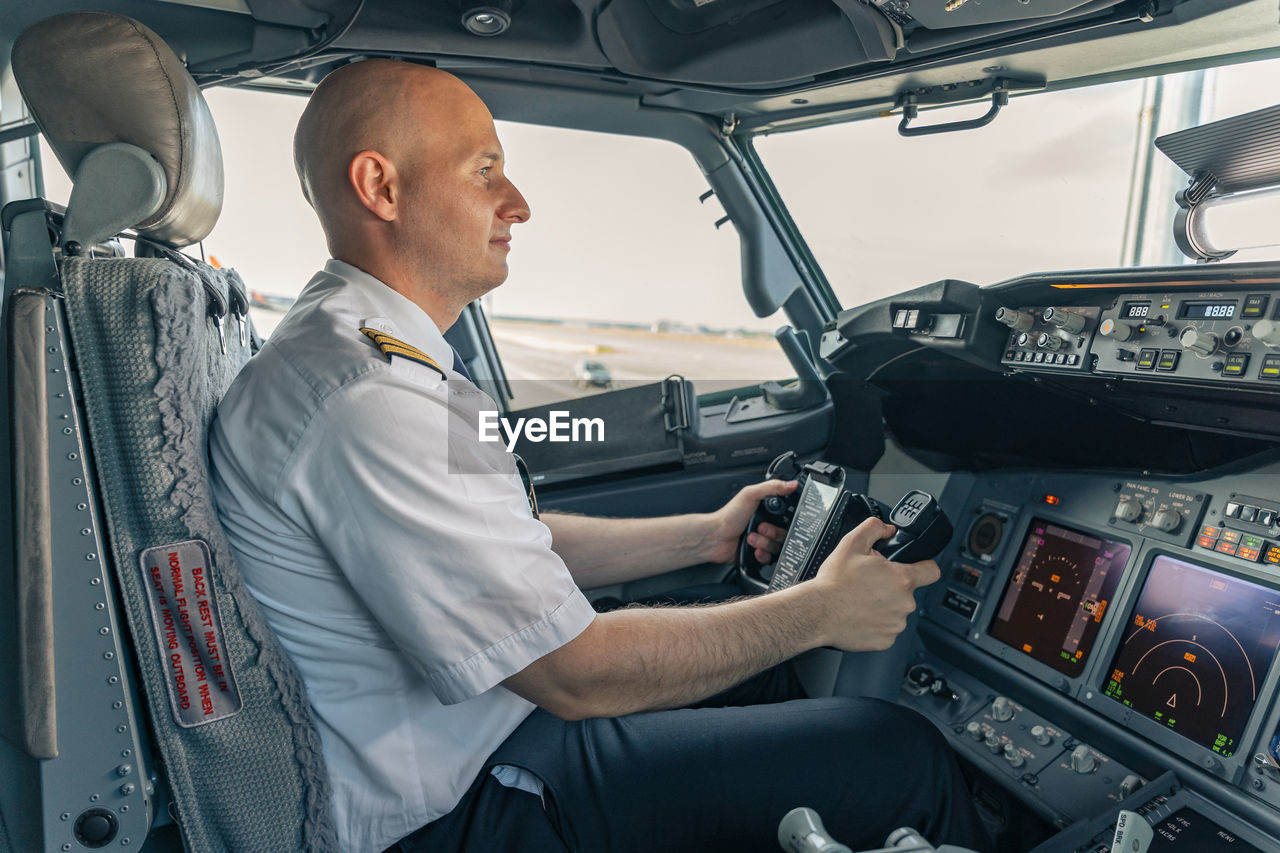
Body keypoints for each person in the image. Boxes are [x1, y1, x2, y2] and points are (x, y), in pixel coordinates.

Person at [208, 58, 986, 853]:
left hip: (485, 728)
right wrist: (820, 609)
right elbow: (573, 674)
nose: (518, 204)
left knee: (765, 671)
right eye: (485, 172)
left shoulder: (361, 349)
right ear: (382, 187)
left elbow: (509, 541)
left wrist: (707, 536)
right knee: (901, 755)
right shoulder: (368, 396)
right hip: (458, 803)